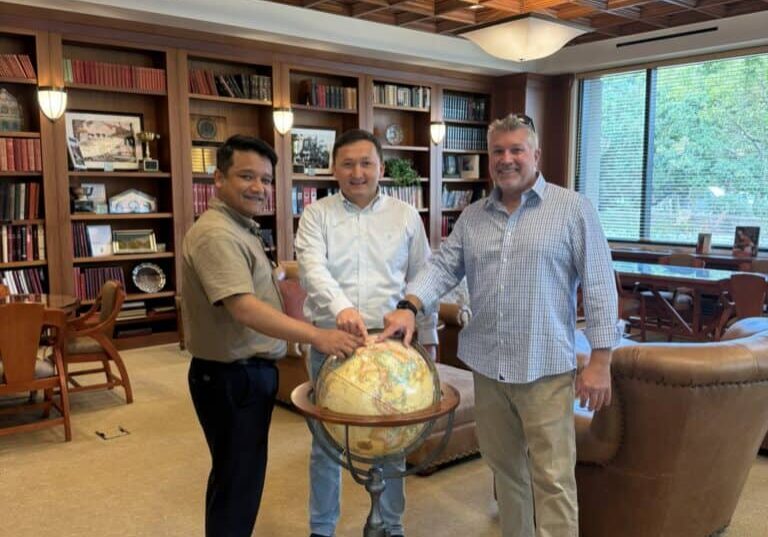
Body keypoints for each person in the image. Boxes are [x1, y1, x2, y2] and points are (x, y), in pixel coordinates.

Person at [380, 114, 620, 537]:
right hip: (488, 369)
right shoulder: (472, 217)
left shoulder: (572, 209)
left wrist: (601, 359)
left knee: (554, 479)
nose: (506, 159)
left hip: (544, 369)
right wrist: (407, 305)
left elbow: (600, 285)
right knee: (506, 474)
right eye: (498, 151)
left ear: (536, 154)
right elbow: (441, 267)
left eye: (516, 150)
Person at [181, 134, 363, 537]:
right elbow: (244, 308)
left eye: (265, 179)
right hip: (232, 377)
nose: (258, 188)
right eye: (246, 176)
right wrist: (317, 335)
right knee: (237, 485)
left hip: (244, 374)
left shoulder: (239, 228)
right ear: (218, 178)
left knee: (237, 478)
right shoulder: (217, 234)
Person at [295, 128, 438, 537]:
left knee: (392, 447)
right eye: (348, 164)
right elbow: (312, 269)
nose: (358, 172)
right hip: (333, 343)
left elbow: (420, 279)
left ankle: (392, 527)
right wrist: (342, 309)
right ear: (333, 168)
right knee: (326, 447)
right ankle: (321, 530)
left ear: (381, 167)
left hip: (392, 346)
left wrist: (428, 343)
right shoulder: (316, 215)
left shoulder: (406, 216)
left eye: (366, 163)